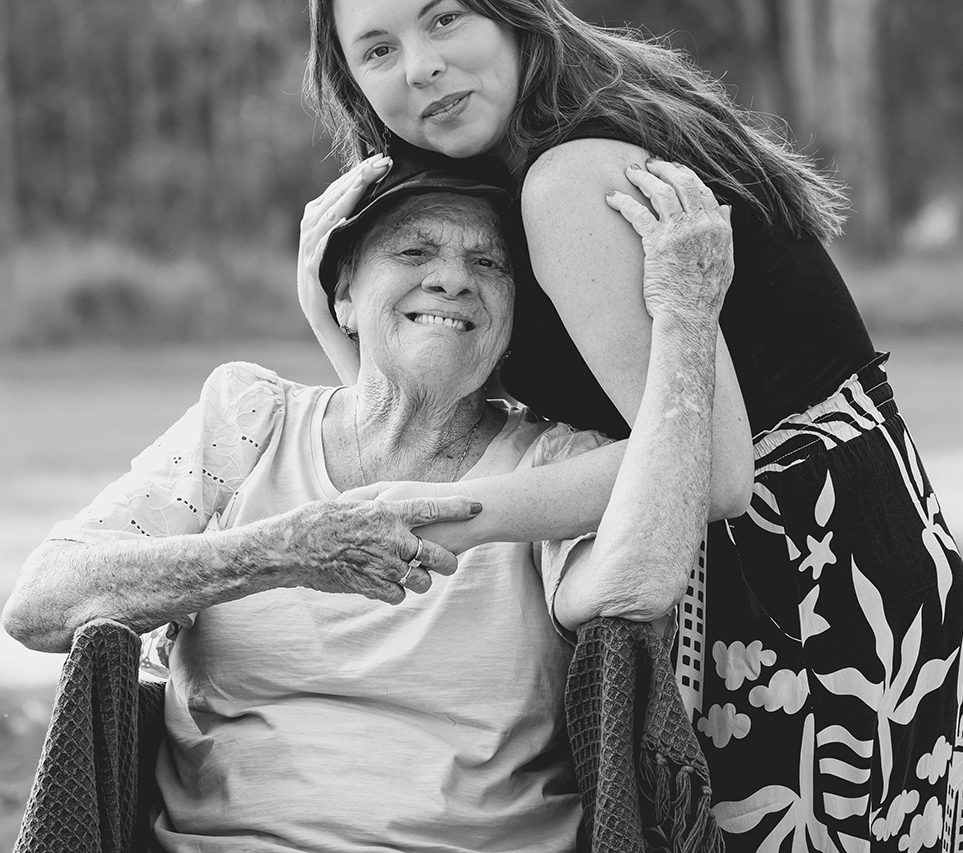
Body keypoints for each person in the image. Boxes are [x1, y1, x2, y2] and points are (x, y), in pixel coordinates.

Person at [295, 0, 963, 853]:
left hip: (788, 578)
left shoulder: (566, 181)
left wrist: (434, 520)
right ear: (351, 80)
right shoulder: (589, 107)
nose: (421, 67)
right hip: (867, 546)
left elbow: (706, 467)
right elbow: (467, 421)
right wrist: (332, 323)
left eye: (442, 19)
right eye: (378, 49)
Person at [3, 146, 735, 852]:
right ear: (345, 296)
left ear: (514, 320)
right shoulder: (250, 419)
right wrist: (283, 553)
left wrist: (686, 316)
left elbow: (641, 577)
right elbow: (39, 602)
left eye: (489, 263)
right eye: (413, 253)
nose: (453, 279)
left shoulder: (553, 465)